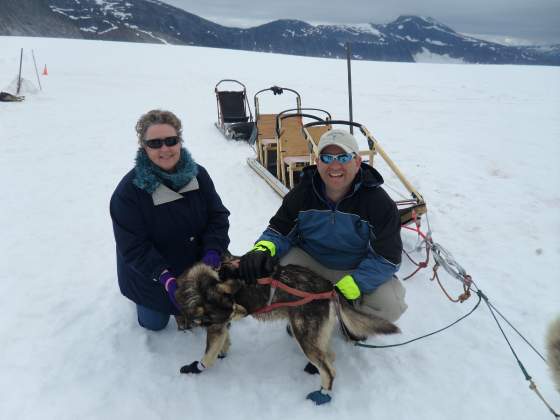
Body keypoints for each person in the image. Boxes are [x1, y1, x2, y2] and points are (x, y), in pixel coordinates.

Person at [239, 129, 406, 323]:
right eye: (326, 158)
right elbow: (280, 231)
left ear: (358, 161)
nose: (334, 165)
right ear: (317, 163)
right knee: (271, 268)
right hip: (312, 261)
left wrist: (356, 283)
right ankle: (302, 316)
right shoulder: (302, 194)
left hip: (355, 266)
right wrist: (262, 249)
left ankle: (348, 323)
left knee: (390, 305)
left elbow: (388, 258)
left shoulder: (379, 203)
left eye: (343, 157)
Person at [110, 109, 230, 331]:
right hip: (154, 274)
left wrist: (213, 250)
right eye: (155, 143)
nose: (164, 148)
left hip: (196, 265)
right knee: (154, 324)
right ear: (144, 147)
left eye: (170, 141)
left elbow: (218, 217)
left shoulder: (199, 176)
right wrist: (164, 277)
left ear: (179, 142)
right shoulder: (128, 193)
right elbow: (134, 247)